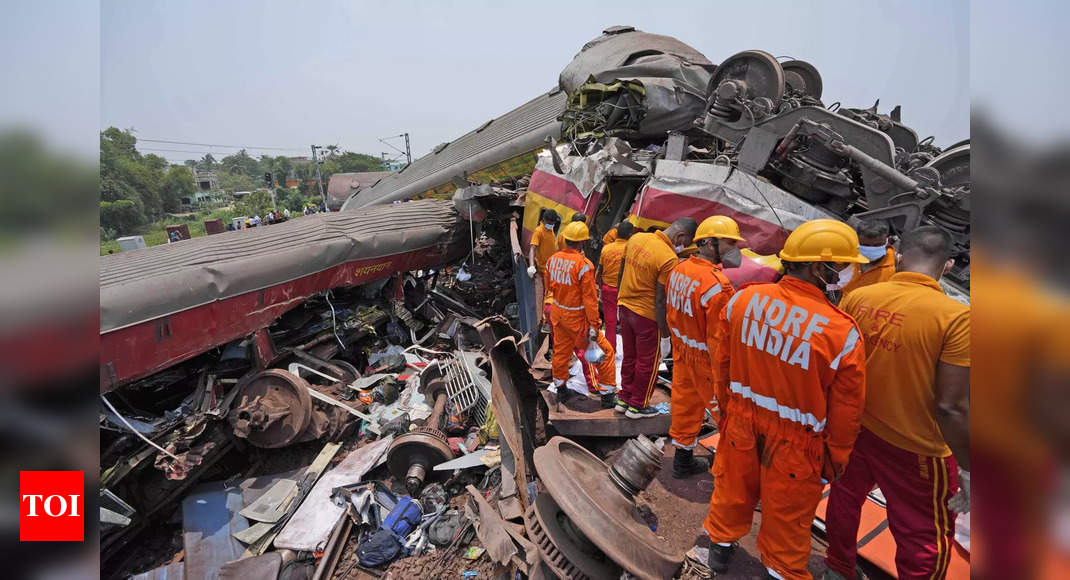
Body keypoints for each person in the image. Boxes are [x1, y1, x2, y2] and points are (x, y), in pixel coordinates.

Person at [703, 219, 868, 579]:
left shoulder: (743, 300)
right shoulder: (841, 332)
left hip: (741, 424)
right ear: (817, 267)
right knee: (787, 523)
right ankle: (778, 571)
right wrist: (834, 460)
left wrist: (727, 410)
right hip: (797, 445)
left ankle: (718, 551)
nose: (845, 273)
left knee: (731, 492)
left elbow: (722, 363)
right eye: (840, 266)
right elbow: (847, 412)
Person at [824, 226, 969, 580]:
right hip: (917, 446)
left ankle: (837, 569)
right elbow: (951, 407)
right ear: (947, 266)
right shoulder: (956, 318)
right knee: (923, 535)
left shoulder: (860, 297)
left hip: (856, 426)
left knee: (844, 498)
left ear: (900, 255)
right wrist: (968, 468)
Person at [665, 216, 743, 478]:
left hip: (682, 350)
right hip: (706, 361)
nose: (736, 250)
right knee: (730, 417)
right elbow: (720, 339)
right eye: (731, 242)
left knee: (685, 404)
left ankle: (682, 461)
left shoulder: (680, 269)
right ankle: (731, 478)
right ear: (709, 243)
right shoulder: (717, 286)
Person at [615, 217, 698, 418]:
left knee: (629, 356)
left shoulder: (636, 238)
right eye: (685, 244)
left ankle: (623, 399)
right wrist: (665, 335)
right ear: (681, 236)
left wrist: (620, 299)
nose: (683, 247)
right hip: (646, 316)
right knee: (648, 362)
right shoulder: (668, 258)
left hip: (625, 308)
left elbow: (621, 272)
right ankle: (638, 406)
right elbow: (661, 300)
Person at [546, 222, 618, 408]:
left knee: (561, 353)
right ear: (582, 243)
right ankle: (608, 395)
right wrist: (594, 325)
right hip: (577, 320)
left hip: (558, 315)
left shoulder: (552, 259)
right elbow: (590, 299)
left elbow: (550, 287)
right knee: (606, 354)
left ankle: (561, 388)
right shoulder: (584, 265)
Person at [596, 220, 633, 349]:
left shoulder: (606, 249)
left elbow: (600, 271)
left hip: (607, 289)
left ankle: (610, 349)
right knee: (626, 322)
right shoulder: (631, 250)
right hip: (624, 291)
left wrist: (600, 288)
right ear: (630, 234)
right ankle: (628, 349)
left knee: (610, 322)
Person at [840, 220, 895, 295]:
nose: (871, 249)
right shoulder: (850, 256)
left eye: (877, 245)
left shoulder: (897, 265)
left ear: (888, 241)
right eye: (865, 245)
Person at [527, 209, 560, 331]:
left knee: (549, 295)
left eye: (553, 222)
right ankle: (544, 322)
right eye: (550, 221)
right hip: (543, 269)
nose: (551, 224)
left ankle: (547, 320)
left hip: (551, 268)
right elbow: (532, 248)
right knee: (546, 296)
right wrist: (531, 265)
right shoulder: (539, 231)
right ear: (544, 220)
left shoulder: (550, 230)